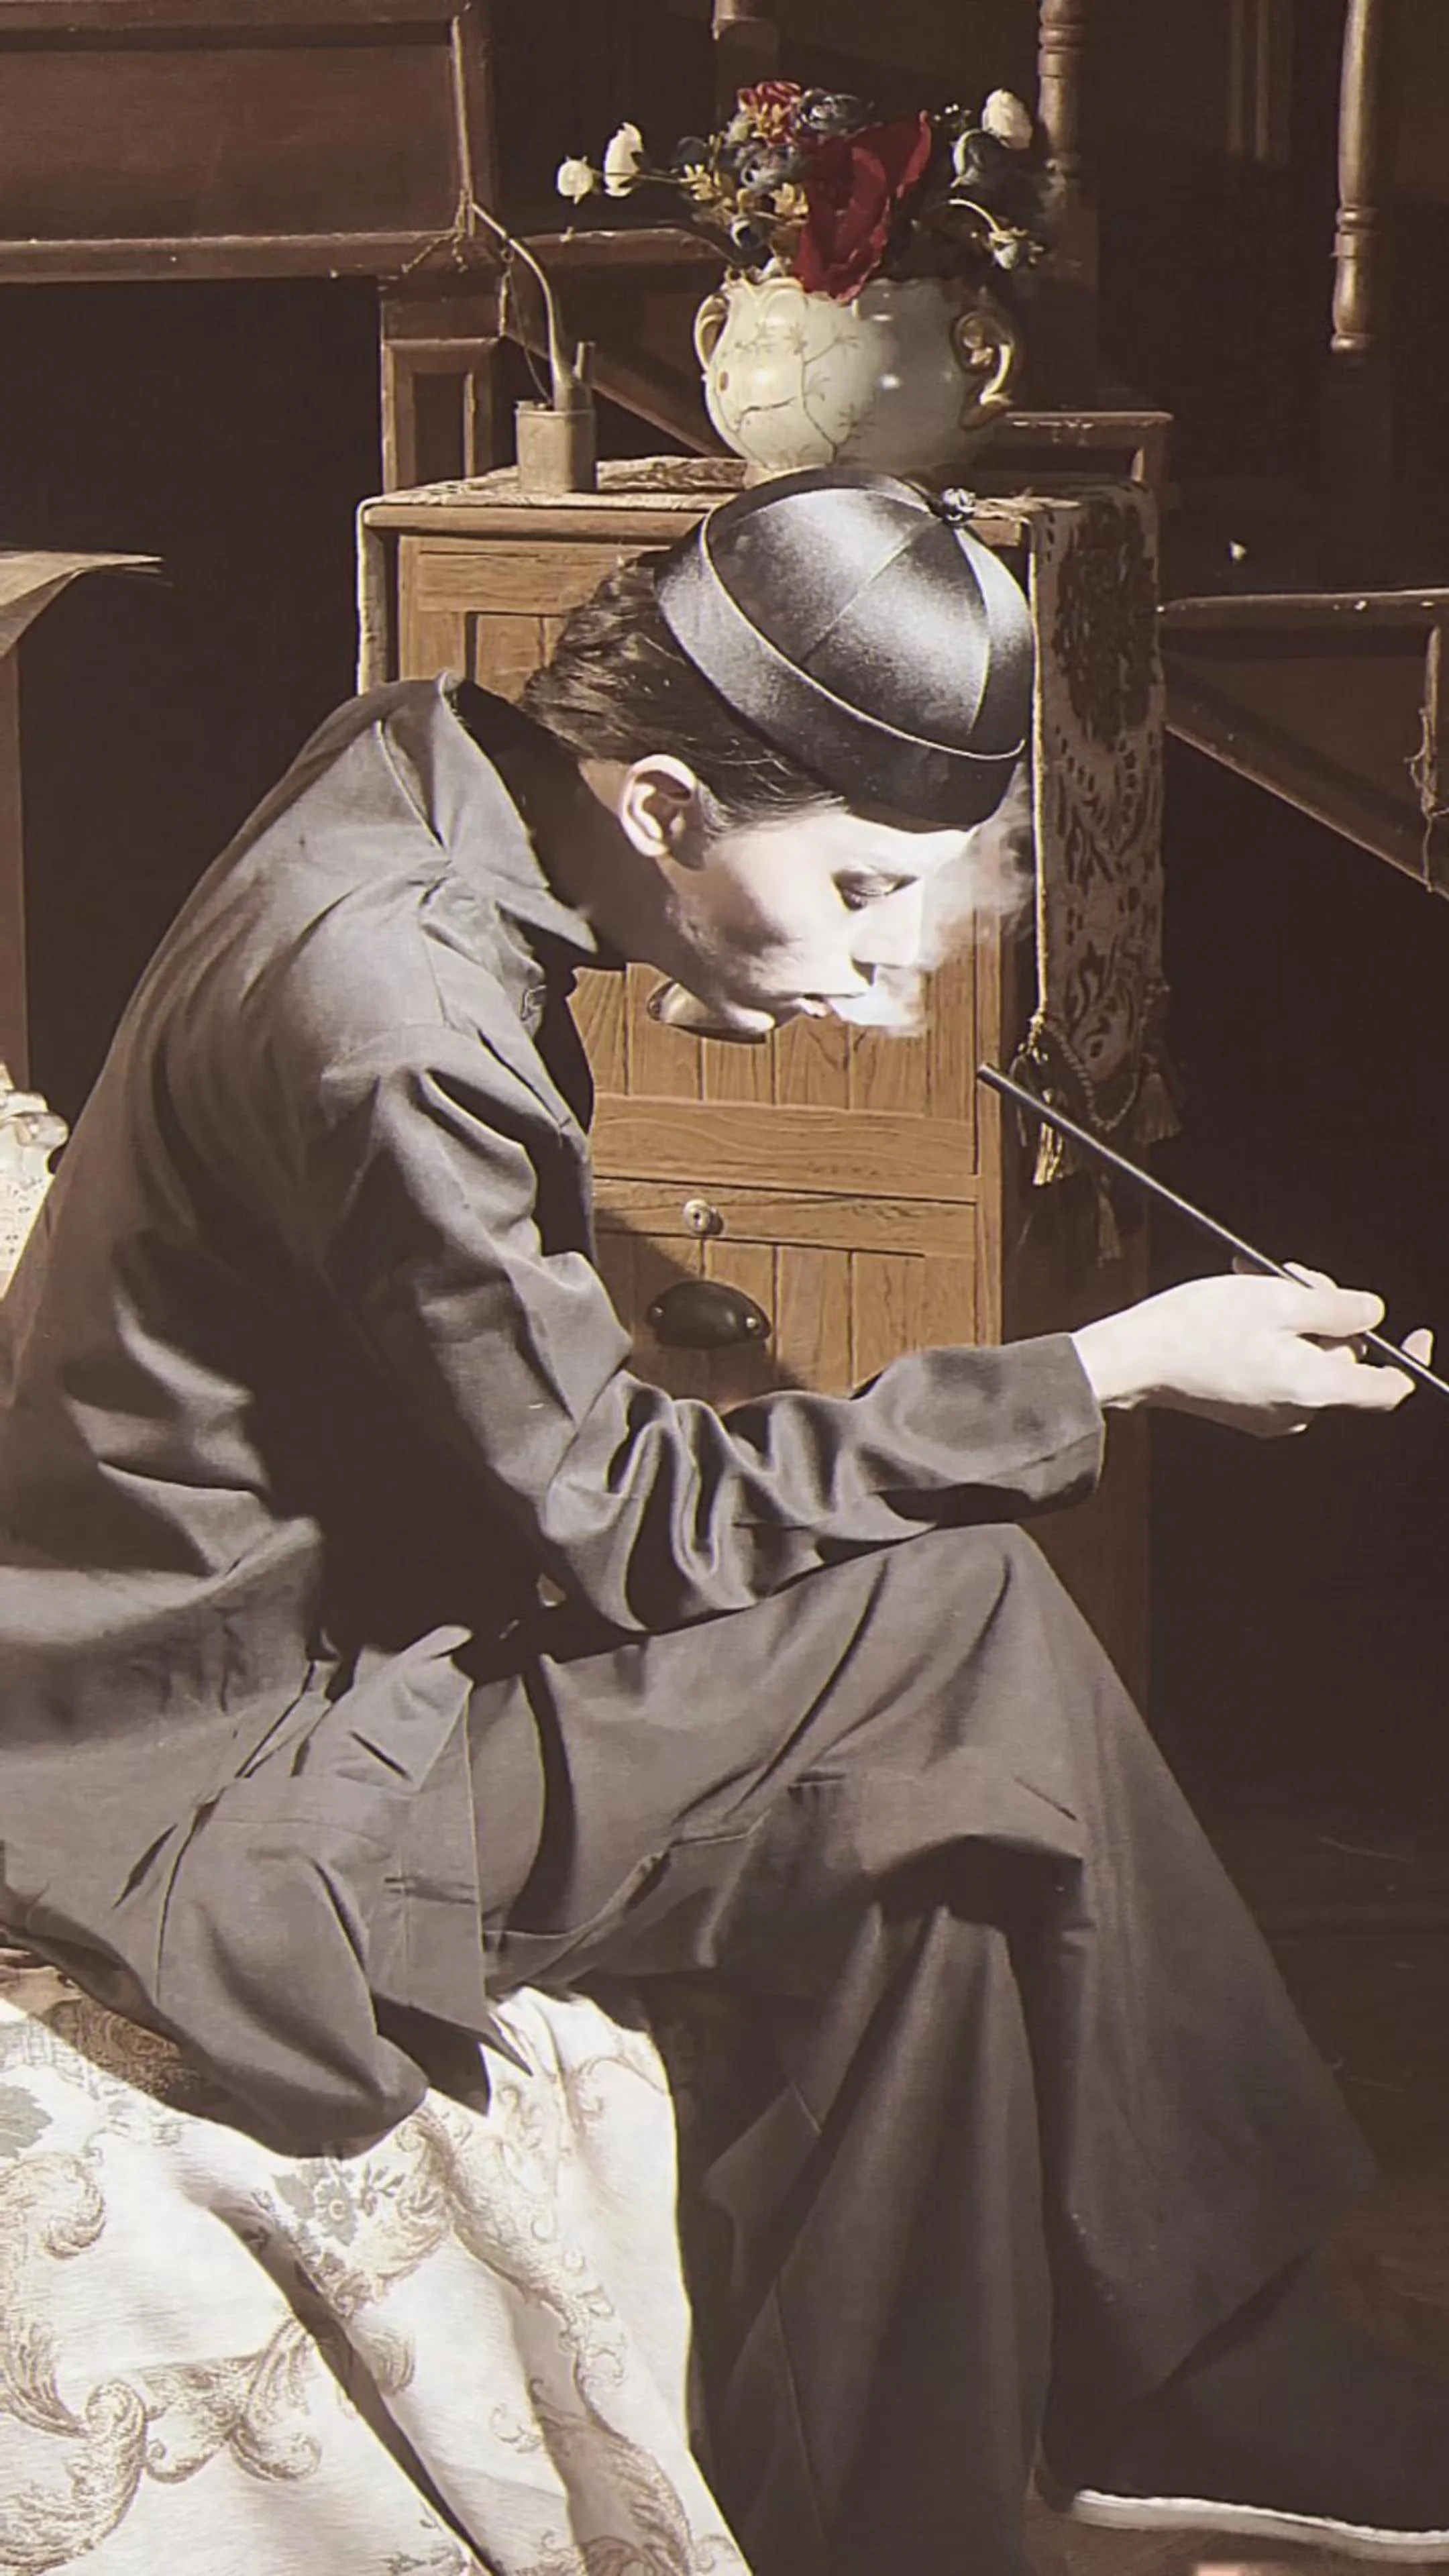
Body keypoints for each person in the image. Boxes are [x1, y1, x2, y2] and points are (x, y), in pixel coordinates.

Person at [1, 464, 1445, 2576]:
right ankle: (1200, 2357)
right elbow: (607, 1515)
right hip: (203, 1738)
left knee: (938, 1853)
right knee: (955, 1626)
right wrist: (1113, 1370)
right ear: (664, 804)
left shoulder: (423, 759)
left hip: (305, 1618)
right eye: (862, 893)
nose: (885, 974)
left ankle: (929, 2506)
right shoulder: (391, 1006)